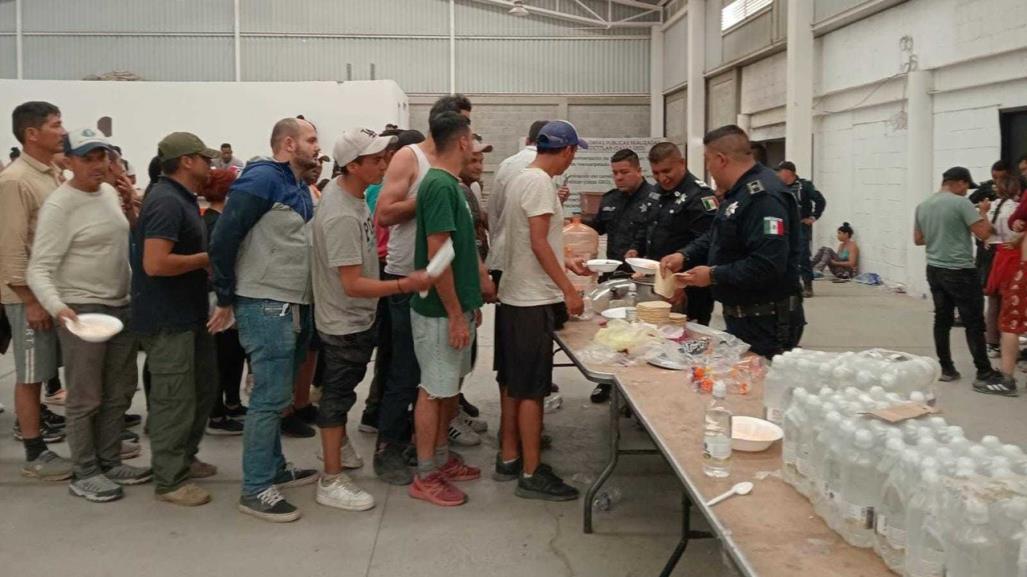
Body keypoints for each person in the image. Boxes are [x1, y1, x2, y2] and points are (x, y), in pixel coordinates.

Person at [312, 127, 434, 511]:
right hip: (344, 321)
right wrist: (405, 285)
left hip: (357, 317)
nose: (384, 164)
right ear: (352, 165)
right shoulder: (340, 215)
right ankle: (331, 478)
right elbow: (352, 284)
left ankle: (339, 448)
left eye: (385, 156)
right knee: (336, 397)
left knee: (343, 393)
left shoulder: (353, 195)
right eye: (376, 159)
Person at [27, 129, 152, 501]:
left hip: (120, 305)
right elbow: (38, 268)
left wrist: (132, 209)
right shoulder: (59, 206)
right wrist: (58, 308)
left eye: (103, 156)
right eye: (88, 158)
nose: (99, 165)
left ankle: (110, 460)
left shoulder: (111, 193)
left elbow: (123, 240)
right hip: (82, 310)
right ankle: (85, 471)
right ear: (68, 161)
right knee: (85, 397)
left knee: (119, 393)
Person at [208, 118, 321, 522]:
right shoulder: (261, 179)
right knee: (269, 398)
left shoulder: (296, 184)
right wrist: (224, 296)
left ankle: (273, 468)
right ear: (289, 144)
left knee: (277, 396)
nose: (316, 146)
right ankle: (255, 487)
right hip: (265, 301)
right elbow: (223, 237)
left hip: (292, 301)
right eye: (311, 139)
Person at [373, 95, 474, 486]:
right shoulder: (413, 161)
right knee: (406, 373)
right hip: (409, 278)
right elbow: (383, 214)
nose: (465, 132)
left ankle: (429, 450)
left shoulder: (447, 176)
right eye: (462, 124)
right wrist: (432, 202)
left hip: (439, 280)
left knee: (439, 377)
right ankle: (390, 448)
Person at [495, 120, 590, 501]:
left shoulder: (522, 177)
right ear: (567, 151)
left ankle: (509, 455)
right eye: (574, 153)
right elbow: (537, 242)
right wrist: (569, 291)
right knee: (532, 389)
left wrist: (567, 261)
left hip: (516, 294)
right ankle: (532, 473)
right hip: (532, 301)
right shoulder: (539, 183)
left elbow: (533, 239)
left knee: (513, 382)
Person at [661, 125, 804, 359]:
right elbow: (719, 234)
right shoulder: (739, 193)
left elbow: (768, 264)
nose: (708, 168)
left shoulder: (764, 197)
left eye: (708, 161)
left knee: (756, 391)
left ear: (720, 160)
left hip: (767, 322)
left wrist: (713, 275)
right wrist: (684, 255)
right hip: (744, 318)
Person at [407, 111, 490, 506]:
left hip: (456, 307)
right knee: (433, 390)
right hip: (438, 314)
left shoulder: (453, 184)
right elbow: (439, 254)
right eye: (472, 139)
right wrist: (455, 313)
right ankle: (425, 473)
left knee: (447, 390)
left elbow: (463, 247)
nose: (474, 146)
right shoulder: (438, 185)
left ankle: (441, 458)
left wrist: (472, 296)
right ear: (461, 142)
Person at [133, 132, 220, 507]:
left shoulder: (182, 199)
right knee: (174, 399)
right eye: (205, 158)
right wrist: (206, 259)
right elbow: (155, 263)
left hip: (188, 314)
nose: (211, 164)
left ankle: (184, 457)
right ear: (186, 161)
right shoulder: (167, 202)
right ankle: (169, 478)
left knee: (201, 390)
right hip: (167, 319)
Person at [0, 101, 73, 480]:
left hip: (52, 291)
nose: (63, 131)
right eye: (56, 125)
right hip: (28, 296)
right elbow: (11, 248)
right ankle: (34, 452)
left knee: (47, 369)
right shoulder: (14, 181)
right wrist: (30, 301)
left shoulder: (51, 173)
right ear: (32, 133)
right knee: (31, 374)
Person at [358, 128, 425, 435]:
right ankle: (382, 418)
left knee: (392, 350)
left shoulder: (382, 187)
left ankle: (377, 412)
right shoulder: (380, 190)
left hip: (388, 268)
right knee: (395, 352)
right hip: (388, 270)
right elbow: (383, 223)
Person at [914, 166, 1003, 390]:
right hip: (960, 270)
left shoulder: (923, 205)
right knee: (973, 321)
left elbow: (918, 239)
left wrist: (941, 234)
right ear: (960, 182)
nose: (967, 192)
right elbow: (983, 234)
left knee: (942, 319)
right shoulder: (961, 203)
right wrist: (983, 211)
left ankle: (946, 368)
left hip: (934, 268)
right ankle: (983, 372)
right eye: (966, 187)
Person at [629, 142, 716, 326]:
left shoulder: (699, 195)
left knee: (685, 341)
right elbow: (648, 225)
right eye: (656, 173)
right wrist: (636, 248)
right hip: (659, 281)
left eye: (667, 171)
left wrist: (681, 283)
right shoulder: (656, 192)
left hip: (690, 287)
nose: (662, 178)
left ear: (682, 163)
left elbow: (709, 242)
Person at [200, 168, 247, 436]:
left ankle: (231, 402)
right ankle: (216, 413)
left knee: (231, 354)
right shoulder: (218, 223)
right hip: (219, 297)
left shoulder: (212, 219)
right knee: (222, 355)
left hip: (221, 294)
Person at [486, 119, 548, 286]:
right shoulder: (546, 169)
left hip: (502, 254)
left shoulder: (506, 164)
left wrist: (496, 244)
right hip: (532, 262)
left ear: (528, 140)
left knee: (504, 309)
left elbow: (493, 212)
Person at [587, 148, 656, 277]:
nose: (619, 177)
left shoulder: (655, 198)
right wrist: (575, 223)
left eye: (624, 172)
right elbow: (597, 228)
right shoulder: (610, 199)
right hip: (613, 273)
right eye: (615, 173)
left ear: (639, 171)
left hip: (643, 274)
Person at [982, 175, 1021, 360]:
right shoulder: (1015, 208)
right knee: (1012, 300)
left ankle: (993, 342)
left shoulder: (992, 207)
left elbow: (987, 232)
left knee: (994, 301)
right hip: (1012, 255)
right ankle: (1011, 341)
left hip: (995, 254)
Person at [775, 161, 825, 298]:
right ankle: (791, 285)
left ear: (789, 172)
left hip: (800, 225)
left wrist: (813, 217)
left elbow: (820, 200)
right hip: (784, 226)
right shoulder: (778, 187)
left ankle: (808, 285)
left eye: (780, 171)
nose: (778, 174)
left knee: (802, 255)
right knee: (784, 255)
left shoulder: (804, 186)